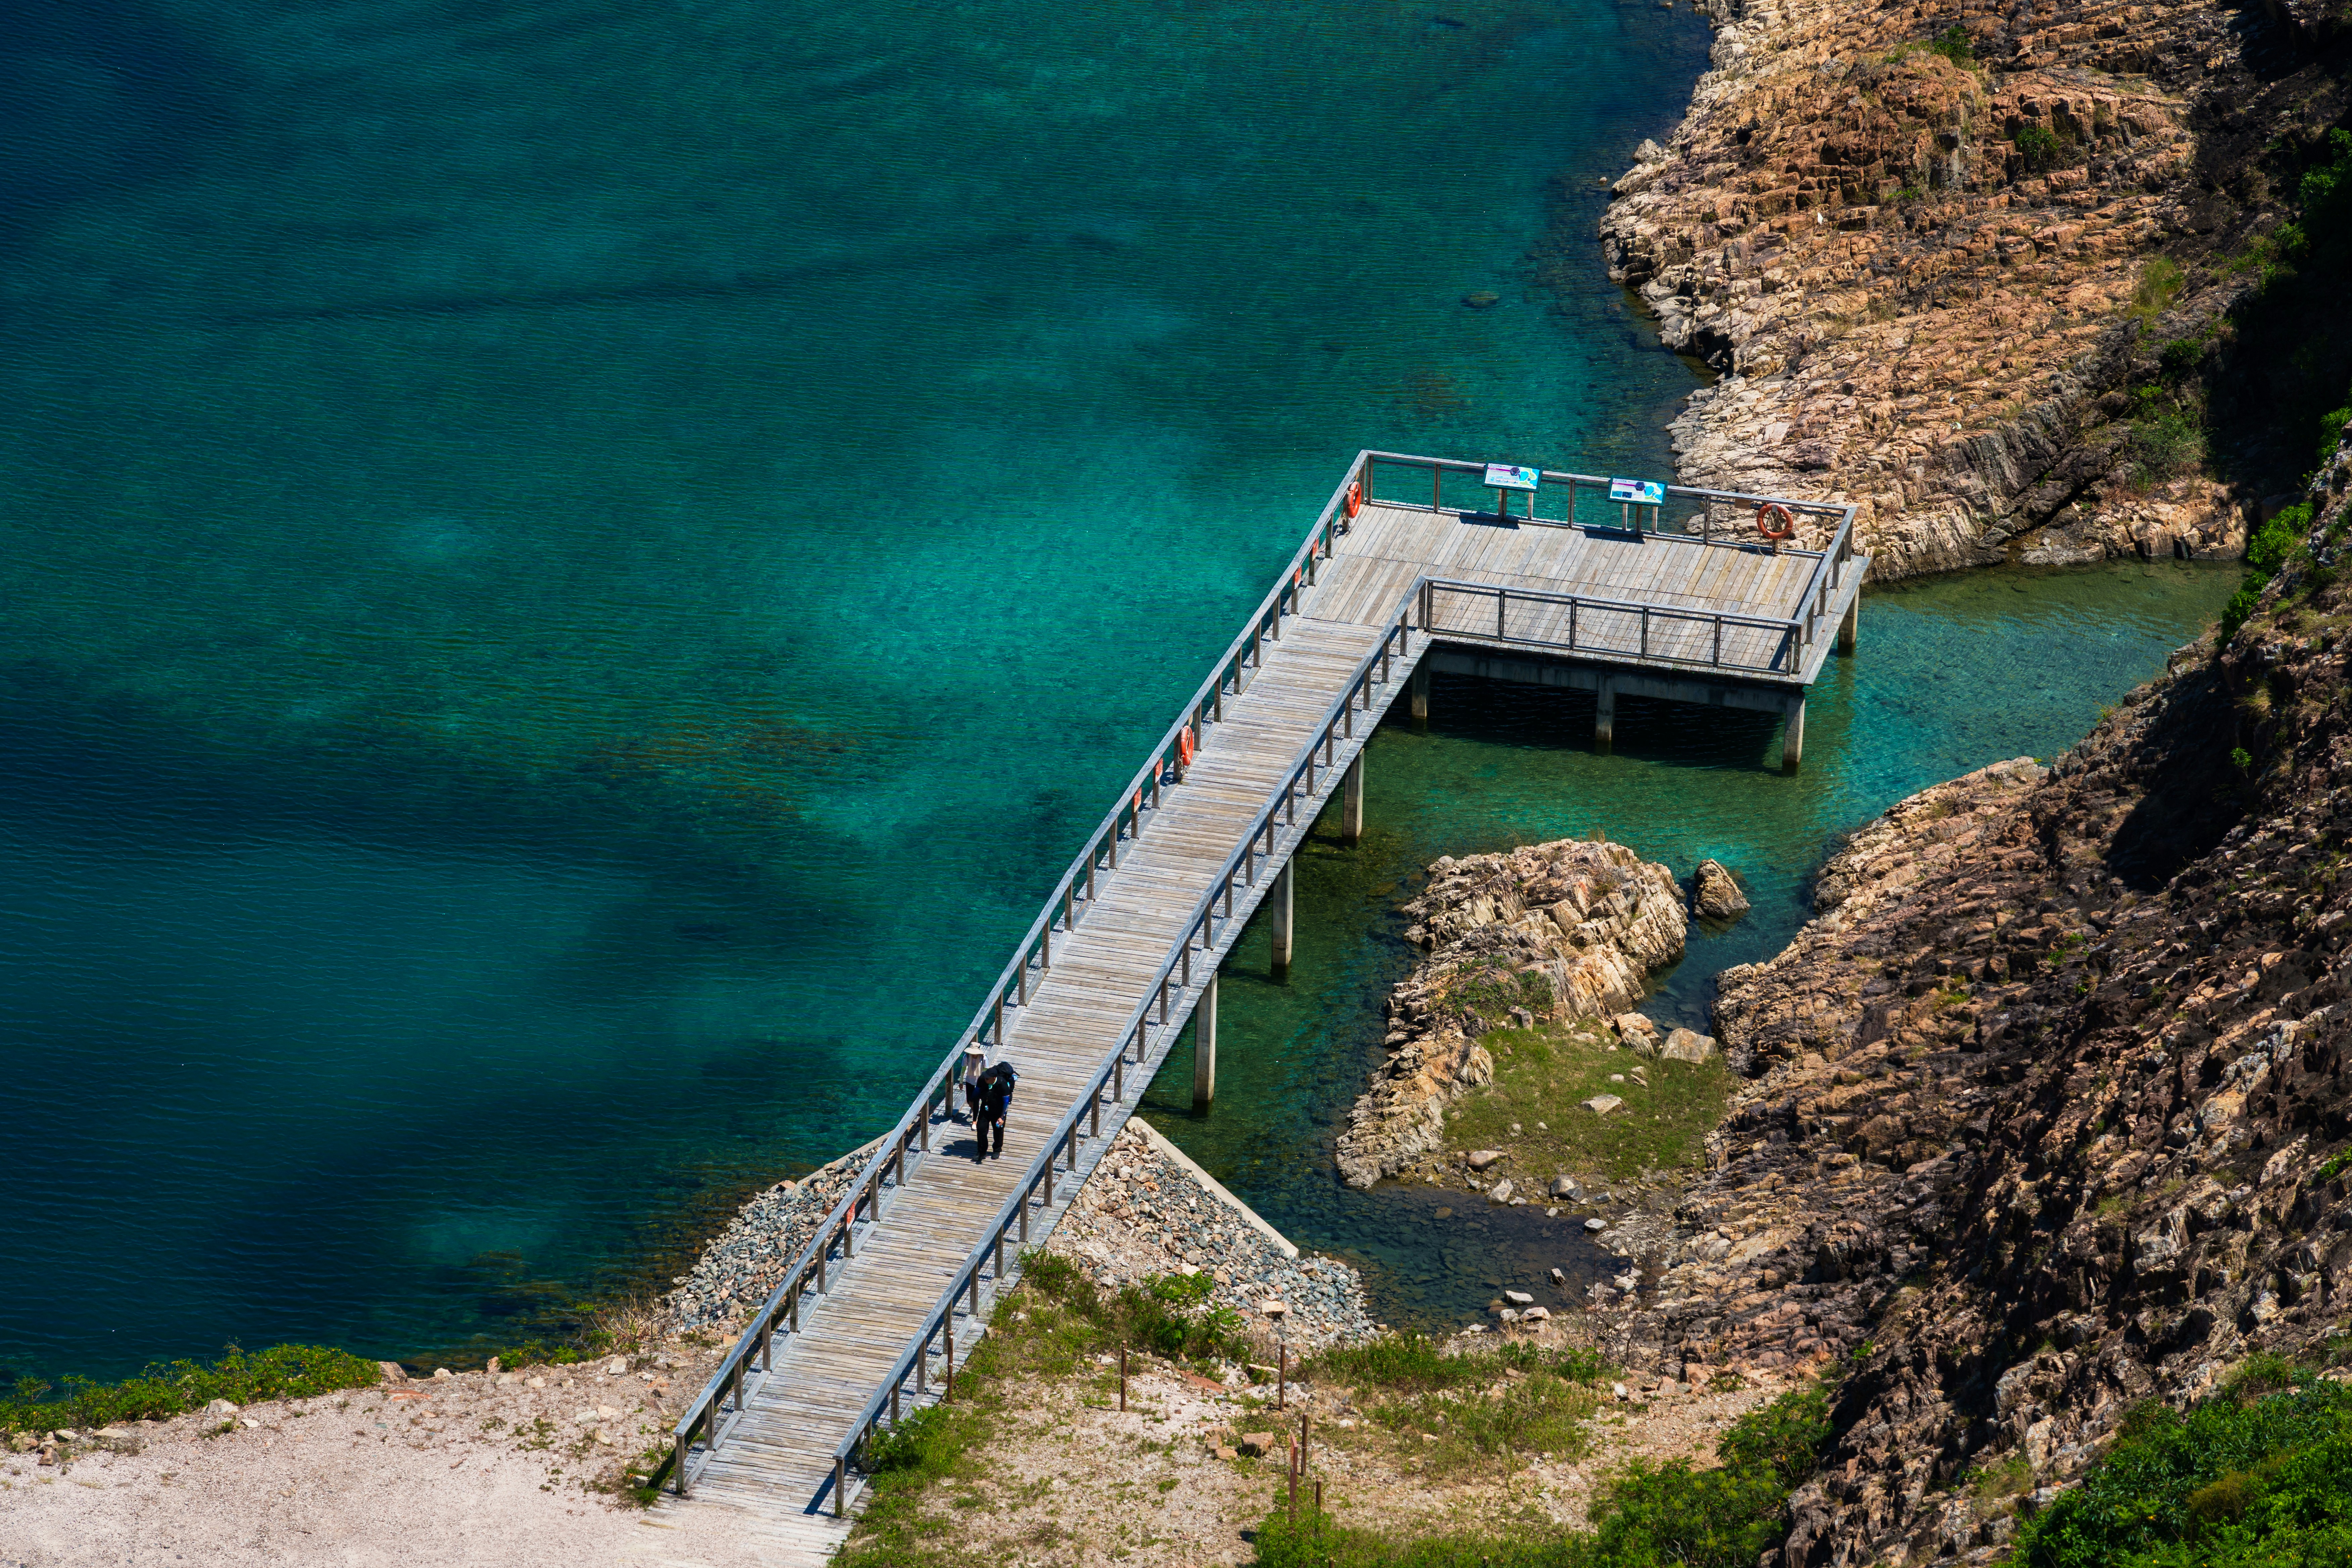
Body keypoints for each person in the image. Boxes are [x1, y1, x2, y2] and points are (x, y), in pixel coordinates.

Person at [974, 1061, 1017, 1161]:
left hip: (999, 1111)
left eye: (987, 1078)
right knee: (981, 1129)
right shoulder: (983, 1080)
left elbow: (1006, 1102)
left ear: (994, 1078)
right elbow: (977, 1092)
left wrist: (1002, 1117)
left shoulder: (1003, 1084)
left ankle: (997, 1150)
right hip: (985, 1109)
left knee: (998, 1130)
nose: (985, 1079)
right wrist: (973, 1100)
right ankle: (981, 1151)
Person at [960, 1042, 988, 1124]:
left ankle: (975, 1121)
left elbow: (986, 1070)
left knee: (976, 1101)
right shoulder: (967, 1057)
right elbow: (963, 1069)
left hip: (980, 1082)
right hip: (969, 1081)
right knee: (969, 1100)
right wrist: (961, 1082)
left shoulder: (984, 1058)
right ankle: (973, 1108)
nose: (973, 1055)